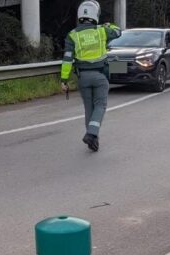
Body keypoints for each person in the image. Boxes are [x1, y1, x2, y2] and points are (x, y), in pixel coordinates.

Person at [60, 1, 121, 152]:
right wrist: (108, 25)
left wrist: (64, 80)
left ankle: (92, 140)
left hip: (83, 78)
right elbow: (119, 31)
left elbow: (67, 59)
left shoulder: (72, 35)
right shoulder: (101, 31)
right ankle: (92, 134)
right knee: (100, 106)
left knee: (89, 108)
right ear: (95, 15)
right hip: (100, 76)